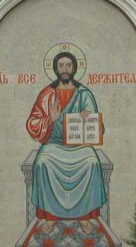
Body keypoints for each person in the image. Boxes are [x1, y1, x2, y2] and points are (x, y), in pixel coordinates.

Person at [25, 51, 106, 234]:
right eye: (61, 66)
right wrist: (50, 119)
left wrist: (88, 118)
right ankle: (51, 218)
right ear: (55, 68)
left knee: (92, 162)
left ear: (75, 68)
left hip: (79, 146)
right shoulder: (47, 94)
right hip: (53, 144)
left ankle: (84, 217)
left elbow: (98, 129)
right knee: (43, 162)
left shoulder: (84, 94)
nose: (65, 70)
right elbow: (32, 123)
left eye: (69, 65)